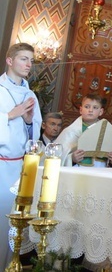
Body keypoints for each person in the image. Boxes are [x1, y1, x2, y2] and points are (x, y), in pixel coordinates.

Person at [0, 43, 42, 269]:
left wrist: (27, 122)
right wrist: (9, 115)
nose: (29, 65)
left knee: (11, 225)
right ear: (9, 61)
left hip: (18, 169)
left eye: (31, 61)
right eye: (24, 59)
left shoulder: (30, 95)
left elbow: (32, 139)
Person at [56, 93, 112, 167]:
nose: (90, 110)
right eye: (87, 107)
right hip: (78, 171)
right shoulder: (71, 131)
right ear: (81, 110)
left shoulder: (107, 132)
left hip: (100, 171)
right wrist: (72, 159)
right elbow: (57, 156)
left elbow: (109, 159)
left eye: (95, 107)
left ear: (101, 112)